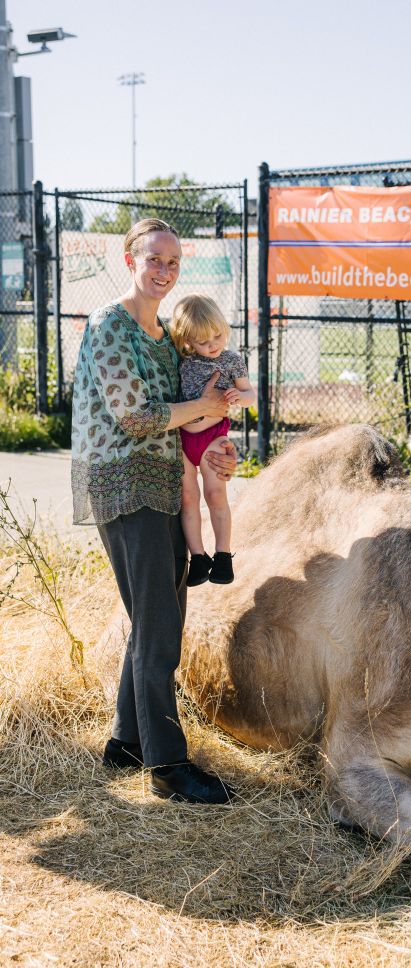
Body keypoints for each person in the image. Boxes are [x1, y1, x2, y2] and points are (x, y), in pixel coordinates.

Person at [71, 217, 238, 804]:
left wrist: (217, 446)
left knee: (157, 611)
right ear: (130, 260)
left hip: (170, 481)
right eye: (154, 260)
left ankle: (127, 740)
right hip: (123, 482)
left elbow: (195, 413)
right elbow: (137, 416)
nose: (164, 271)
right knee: (161, 623)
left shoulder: (169, 334)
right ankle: (168, 766)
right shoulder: (109, 325)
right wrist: (202, 404)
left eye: (173, 262)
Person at [169, 295, 256, 587]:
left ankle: (222, 555)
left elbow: (250, 395)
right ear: (188, 341)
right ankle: (198, 556)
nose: (212, 344)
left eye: (217, 335)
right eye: (203, 341)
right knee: (188, 498)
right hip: (182, 438)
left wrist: (239, 397)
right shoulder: (182, 361)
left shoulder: (232, 360)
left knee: (215, 493)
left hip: (212, 436)